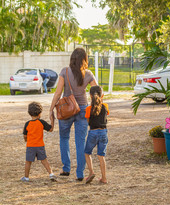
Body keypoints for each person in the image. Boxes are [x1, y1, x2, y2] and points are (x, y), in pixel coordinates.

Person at [49, 48, 97, 181]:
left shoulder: (64, 71)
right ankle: (80, 174)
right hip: (82, 108)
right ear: (85, 59)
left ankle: (66, 168)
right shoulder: (88, 74)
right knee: (80, 142)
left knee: (64, 138)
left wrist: (51, 108)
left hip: (66, 109)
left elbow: (58, 93)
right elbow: (97, 91)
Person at [21, 101, 57, 182]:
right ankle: (51, 174)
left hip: (30, 146)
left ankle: (26, 177)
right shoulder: (41, 122)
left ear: (29, 113)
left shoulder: (27, 124)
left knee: (28, 161)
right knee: (44, 160)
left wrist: (26, 140)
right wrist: (52, 121)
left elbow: (25, 135)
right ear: (40, 113)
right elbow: (51, 129)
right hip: (40, 145)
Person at [84, 86, 109, 184]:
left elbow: (88, 122)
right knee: (101, 156)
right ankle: (104, 178)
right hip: (103, 132)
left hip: (93, 132)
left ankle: (91, 172)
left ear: (90, 96)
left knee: (87, 153)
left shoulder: (88, 109)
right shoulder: (105, 106)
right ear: (102, 95)